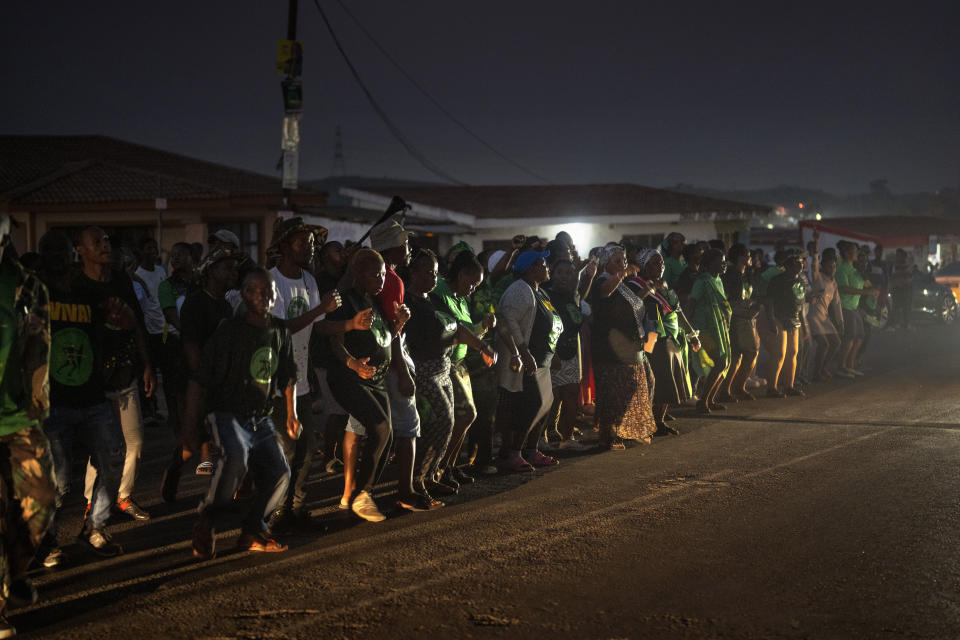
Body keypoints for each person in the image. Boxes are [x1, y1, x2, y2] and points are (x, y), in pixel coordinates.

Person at [187, 268, 298, 559]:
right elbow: (199, 380)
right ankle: (207, 520)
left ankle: (252, 530)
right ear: (245, 294)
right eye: (255, 290)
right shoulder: (229, 331)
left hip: (259, 417)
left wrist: (291, 413)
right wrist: (189, 427)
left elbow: (288, 376)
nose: (263, 296)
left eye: (268, 290)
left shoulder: (280, 331)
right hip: (227, 413)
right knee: (236, 458)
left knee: (280, 472)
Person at [37, 230, 129, 559]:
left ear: (72, 254)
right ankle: (45, 539)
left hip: (91, 396)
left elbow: (122, 323)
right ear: (41, 255)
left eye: (62, 250)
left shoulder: (86, 291)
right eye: (50, 251)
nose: (58, 257)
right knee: (57, 480)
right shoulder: (35, 294)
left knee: (113, 456)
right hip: (52, 401)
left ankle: (95, 527)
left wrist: (118, 315)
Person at [0, 214, 57, 638]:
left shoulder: (26, 285)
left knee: (40, 503)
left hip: (17, 417)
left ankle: (13, 571)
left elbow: (39, 343)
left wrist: (39, 397)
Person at [76, 228, 156, 522]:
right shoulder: (78, 285)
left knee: (134, 440)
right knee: (101, 446)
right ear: (80, 250)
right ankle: (91, 501)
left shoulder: (121, 281)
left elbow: (136, 325)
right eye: (96, 241)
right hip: (95, 378)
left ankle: (122, 496)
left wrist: (147, 365)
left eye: (106, 240)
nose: (104, 246)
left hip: (126, 374)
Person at [266, 218, 341, 533]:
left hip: (303, 377)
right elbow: (281, 329)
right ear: (284, 247)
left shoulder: (309, 279)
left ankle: (294, 509)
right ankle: (272, 515)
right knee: (285, 450)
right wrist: (320, 308)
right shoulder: (271, 282)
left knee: (308, 447)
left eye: (312, 243)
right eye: (302, 242)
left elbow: (318, 326)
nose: (310, 248)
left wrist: (349, 325)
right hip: (277, 379)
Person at [325, 249, 402, 523]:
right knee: (380, 427)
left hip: (376, 379)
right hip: (350, 379)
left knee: (387, 435)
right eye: (374, 274)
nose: (381, 279)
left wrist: (399, 326)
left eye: (383, 274)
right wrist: (352, 363)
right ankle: (361, 494)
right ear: (357, 274)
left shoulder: (375, 301)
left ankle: (362, 494)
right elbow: (333, 338)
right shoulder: (346, 301)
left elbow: (381, 339)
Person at [161, 247, 239, 502]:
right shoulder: (195, 303)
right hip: (194, 382)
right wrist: (204, 384)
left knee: (227, 437)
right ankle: (174, 468)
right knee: (194, 439)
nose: (233, 272)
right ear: (211, 271)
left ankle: (230, 491)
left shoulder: (226, 306)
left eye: (234, 268)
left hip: (219, 382)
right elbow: (191, 348)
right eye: (226, 267)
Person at [431, 250, 495, 490]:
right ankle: (438, 467)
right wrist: (483, 344)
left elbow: (466, 333)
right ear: (460, 274)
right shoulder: (440, 293)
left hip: (460, 364)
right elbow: (452, 331)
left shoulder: (461, 298)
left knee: (466, 416)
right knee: (464, 415)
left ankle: (447, 466)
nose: (473, 289)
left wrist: (483, 328)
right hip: (444, 363)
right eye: (472, 282)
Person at [369, 218, 420, 510]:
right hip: (391, 361)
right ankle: (405, 489)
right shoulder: (391, 280)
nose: (409, 249)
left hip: (374, 361)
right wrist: (402, 371)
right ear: (392, 248)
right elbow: (392, 331)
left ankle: (359, 493)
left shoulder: (373, 276)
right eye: (405, 244)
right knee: (408, 426)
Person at [498, 250, 564, 469]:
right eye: (542, 264)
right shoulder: (519, 290)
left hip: (542, 359)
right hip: (527, 360)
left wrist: (552, 354)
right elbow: (509, 322)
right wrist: (524, 352)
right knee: (532, 404)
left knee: (545, 404)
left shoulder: (539, 291)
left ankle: (531, 450)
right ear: (529, 268)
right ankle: (514, 453)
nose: (547, 268)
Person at [588, 245, 657, 450]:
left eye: (624, 260)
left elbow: (629, 307)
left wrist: (647, 290)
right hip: (610, 347)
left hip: (628, 345)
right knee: (613, 392)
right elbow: (605, 292)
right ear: (605, 263)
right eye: (617, 261)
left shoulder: (622, 284)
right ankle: (607, 436)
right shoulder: (603, 280)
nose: (623, 264)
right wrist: (622, 273)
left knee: (634, 386)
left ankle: (617, 432)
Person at [634, 249, 699, 433]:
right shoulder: (634, 285)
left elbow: (678, 312)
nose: (660, 266)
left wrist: (692, 334)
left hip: (670, 337)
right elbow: (633, 306)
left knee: (669, 381)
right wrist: (649, 289)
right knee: (654, 379)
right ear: (644, 266)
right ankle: (648, 421)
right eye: (654, 263)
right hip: (651, 338)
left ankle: (659, 420)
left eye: (661, 262)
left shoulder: (667, 289)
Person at [543, 259, 590, 449]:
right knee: (551, 397)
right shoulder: (546, 295)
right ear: (552, 274)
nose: (564, 276)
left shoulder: (573, 296)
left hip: (572, 352)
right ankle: (540, 438)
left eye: (569, 273)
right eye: (560, 272)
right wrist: (551, 353)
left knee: (571, 394)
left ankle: (567, 438)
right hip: (552, 353)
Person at [156, 242, 196, 447]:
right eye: (173, 255)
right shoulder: (167, 286)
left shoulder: (200, 282)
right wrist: (194, 335)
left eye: (181, 254)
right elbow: (171, 316)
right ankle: (182, 434)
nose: (175, 258)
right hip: (175, 345)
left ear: (192, 256)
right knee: (177, 391)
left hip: (195, 342)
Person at [687, 248, 731, 412]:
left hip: (719, 327)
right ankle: (703, 401)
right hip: (704, 328)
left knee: (724, 362)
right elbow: (691, 303)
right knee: (720, 362)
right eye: (720, 261)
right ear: (710, 263)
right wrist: (688, 330)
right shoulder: (702, 281)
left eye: (724, 260)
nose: (724, 264)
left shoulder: (718, 279)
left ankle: (710, 400)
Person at [720, 243, 761, 401]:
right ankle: (731, 388)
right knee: (743, 353)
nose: (751, 258)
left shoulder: (741, 273)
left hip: (742, 317)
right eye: (748, 255)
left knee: (740, 354)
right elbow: (732, 301)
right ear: (741, 257)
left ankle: (733, 388)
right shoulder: (733, 274)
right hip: (737, 319)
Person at [134, 237, 167, 426]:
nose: (153, 251)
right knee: (149, 370)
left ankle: (155, 409)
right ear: (141, 252)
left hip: (162, 327)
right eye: (148, 248)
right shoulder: (138, 275)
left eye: (154, 248)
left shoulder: (161, 271)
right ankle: (149, 408)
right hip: (148, 328)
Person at [764, 250, 806, 397]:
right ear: (787, 266)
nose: (800, 266)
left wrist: (803, 324)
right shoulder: (778, 280)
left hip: (794, 318)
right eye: (796, 264)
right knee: (779, 354)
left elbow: (800, 304)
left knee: (793, 353)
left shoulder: (800, 281)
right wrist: (771, 321)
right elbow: (769, 302)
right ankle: (772, 387)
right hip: (779, 317)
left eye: (801, 263)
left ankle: (789, 385)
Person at [835, 241, 877, 377]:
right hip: (845, 306)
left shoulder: (853, 268)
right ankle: (841, 367)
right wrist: (866, 293)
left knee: (860, 337)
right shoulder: (842, 268)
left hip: (854, 307)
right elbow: (844, 288)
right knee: (849, 338)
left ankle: (850, 365)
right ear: (847, 253)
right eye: (855, 251)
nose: (857, 254)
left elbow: (865, 283)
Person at [807, 240, 844, 382]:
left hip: (824, 317)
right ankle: (816, 373)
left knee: (836, 343)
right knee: (824, 344)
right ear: (823, 266)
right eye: (830, 266)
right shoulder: (818, 278)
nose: (832, 269)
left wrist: (841, 322)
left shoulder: (833, 283)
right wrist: (815, 249)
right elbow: (813, 266)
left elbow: (837, 304)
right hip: (813, 316)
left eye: (834, 266)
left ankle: (822, 368)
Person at [888, 249, 912, 330]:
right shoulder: (895, 265)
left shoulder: (906, 265)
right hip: (897, 288)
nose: (897, 257)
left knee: (905, 306)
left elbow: (908, 277)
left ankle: (905, 323)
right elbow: (893, 276)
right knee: (896, 306)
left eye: (898, 255)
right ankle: (898, 323)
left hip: (904, 288)